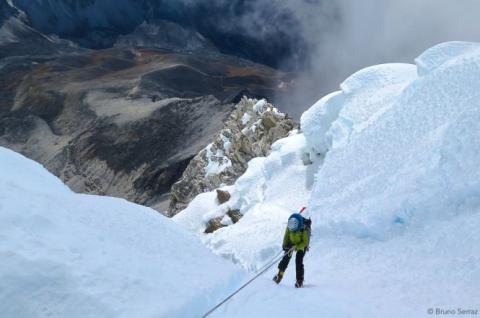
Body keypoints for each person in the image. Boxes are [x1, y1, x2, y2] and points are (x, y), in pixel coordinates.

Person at [273, 213, 310, 288]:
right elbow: (286, 236)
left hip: (301, 244)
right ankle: (280, 274)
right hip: (292, 241)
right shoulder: (290, 225)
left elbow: (305, 242)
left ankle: (299, 280)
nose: (291, 230)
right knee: (286, 257)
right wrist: (285, 245)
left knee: (298, 260)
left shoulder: (304, 228)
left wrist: (296, 247)